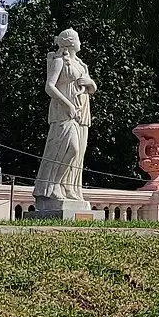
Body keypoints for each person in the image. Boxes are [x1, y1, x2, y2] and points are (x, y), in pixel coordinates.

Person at [35, 30, 96, 203]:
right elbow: (49, 86)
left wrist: (90, 84)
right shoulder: (59, 62)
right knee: (69, 148)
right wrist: (67, 104)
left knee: (78, 154)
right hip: (64, 111)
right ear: (70, 44)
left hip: (81, 110)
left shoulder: (81, 64)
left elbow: (92, 87)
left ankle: (67, 186)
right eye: (78, 40)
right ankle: (52, 185)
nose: (80, 43)